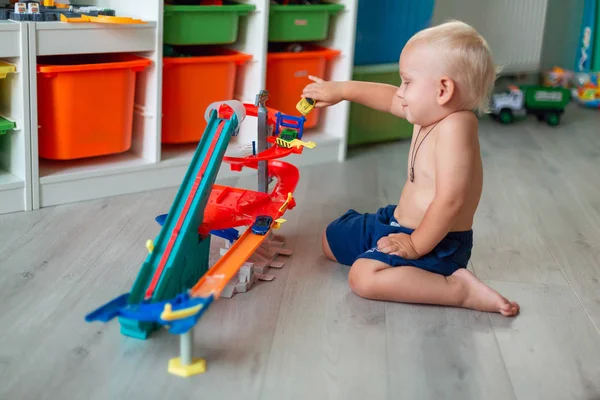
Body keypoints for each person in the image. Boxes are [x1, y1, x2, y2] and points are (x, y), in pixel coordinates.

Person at [301, 20, 519, 316]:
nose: (400, 92)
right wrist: (341, 90)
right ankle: (389, 258)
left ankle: (458, 289)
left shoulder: (456, 126)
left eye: (407, 81)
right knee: (332, 238)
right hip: (397, 222)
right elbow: (388, 97)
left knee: (362, 278)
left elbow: (450, 200)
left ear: (443, 90)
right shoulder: (429, 111)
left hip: (436, 240)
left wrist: (415, 245)